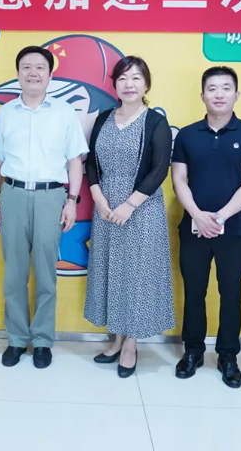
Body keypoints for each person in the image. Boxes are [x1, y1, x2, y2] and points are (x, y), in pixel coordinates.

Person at [0, 45, 88, 369]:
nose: (33, 73)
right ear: (18, 73)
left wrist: (71, 201)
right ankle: (17, 339)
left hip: (51, 197)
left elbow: (75, 161)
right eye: (26, 67)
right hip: (13, 195)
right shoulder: (6, 113)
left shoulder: (64, 112)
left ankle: (43, 341)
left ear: (50, 74)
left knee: (46, 274)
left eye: (40, 67)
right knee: (14, 275)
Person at [171, 66, 241, 388]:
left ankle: (228, 357)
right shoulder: (187, 135)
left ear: (236, 95)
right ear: (202, 95)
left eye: (226, 88)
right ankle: (193, 352)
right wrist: (198, 216)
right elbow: (179, 179)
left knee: (231, 294)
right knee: (194, 292)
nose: (219, 94)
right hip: (193, 228)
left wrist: (221, 217)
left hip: (234, 230)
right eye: (212, 88)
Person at [84, 55, 175, 379]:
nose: (129, 84)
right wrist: (98, 196)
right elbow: (91, 162)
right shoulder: (104, 119)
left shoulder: (155, 122)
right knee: (112, 273)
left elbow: (159, 169)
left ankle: (131, 345)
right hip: (106, 206)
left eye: (136, 78)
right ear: (115, 84)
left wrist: (130, 205)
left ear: (146, 84)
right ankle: (117, 338)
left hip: (141, 209)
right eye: (123, 78)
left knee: (136, 277)